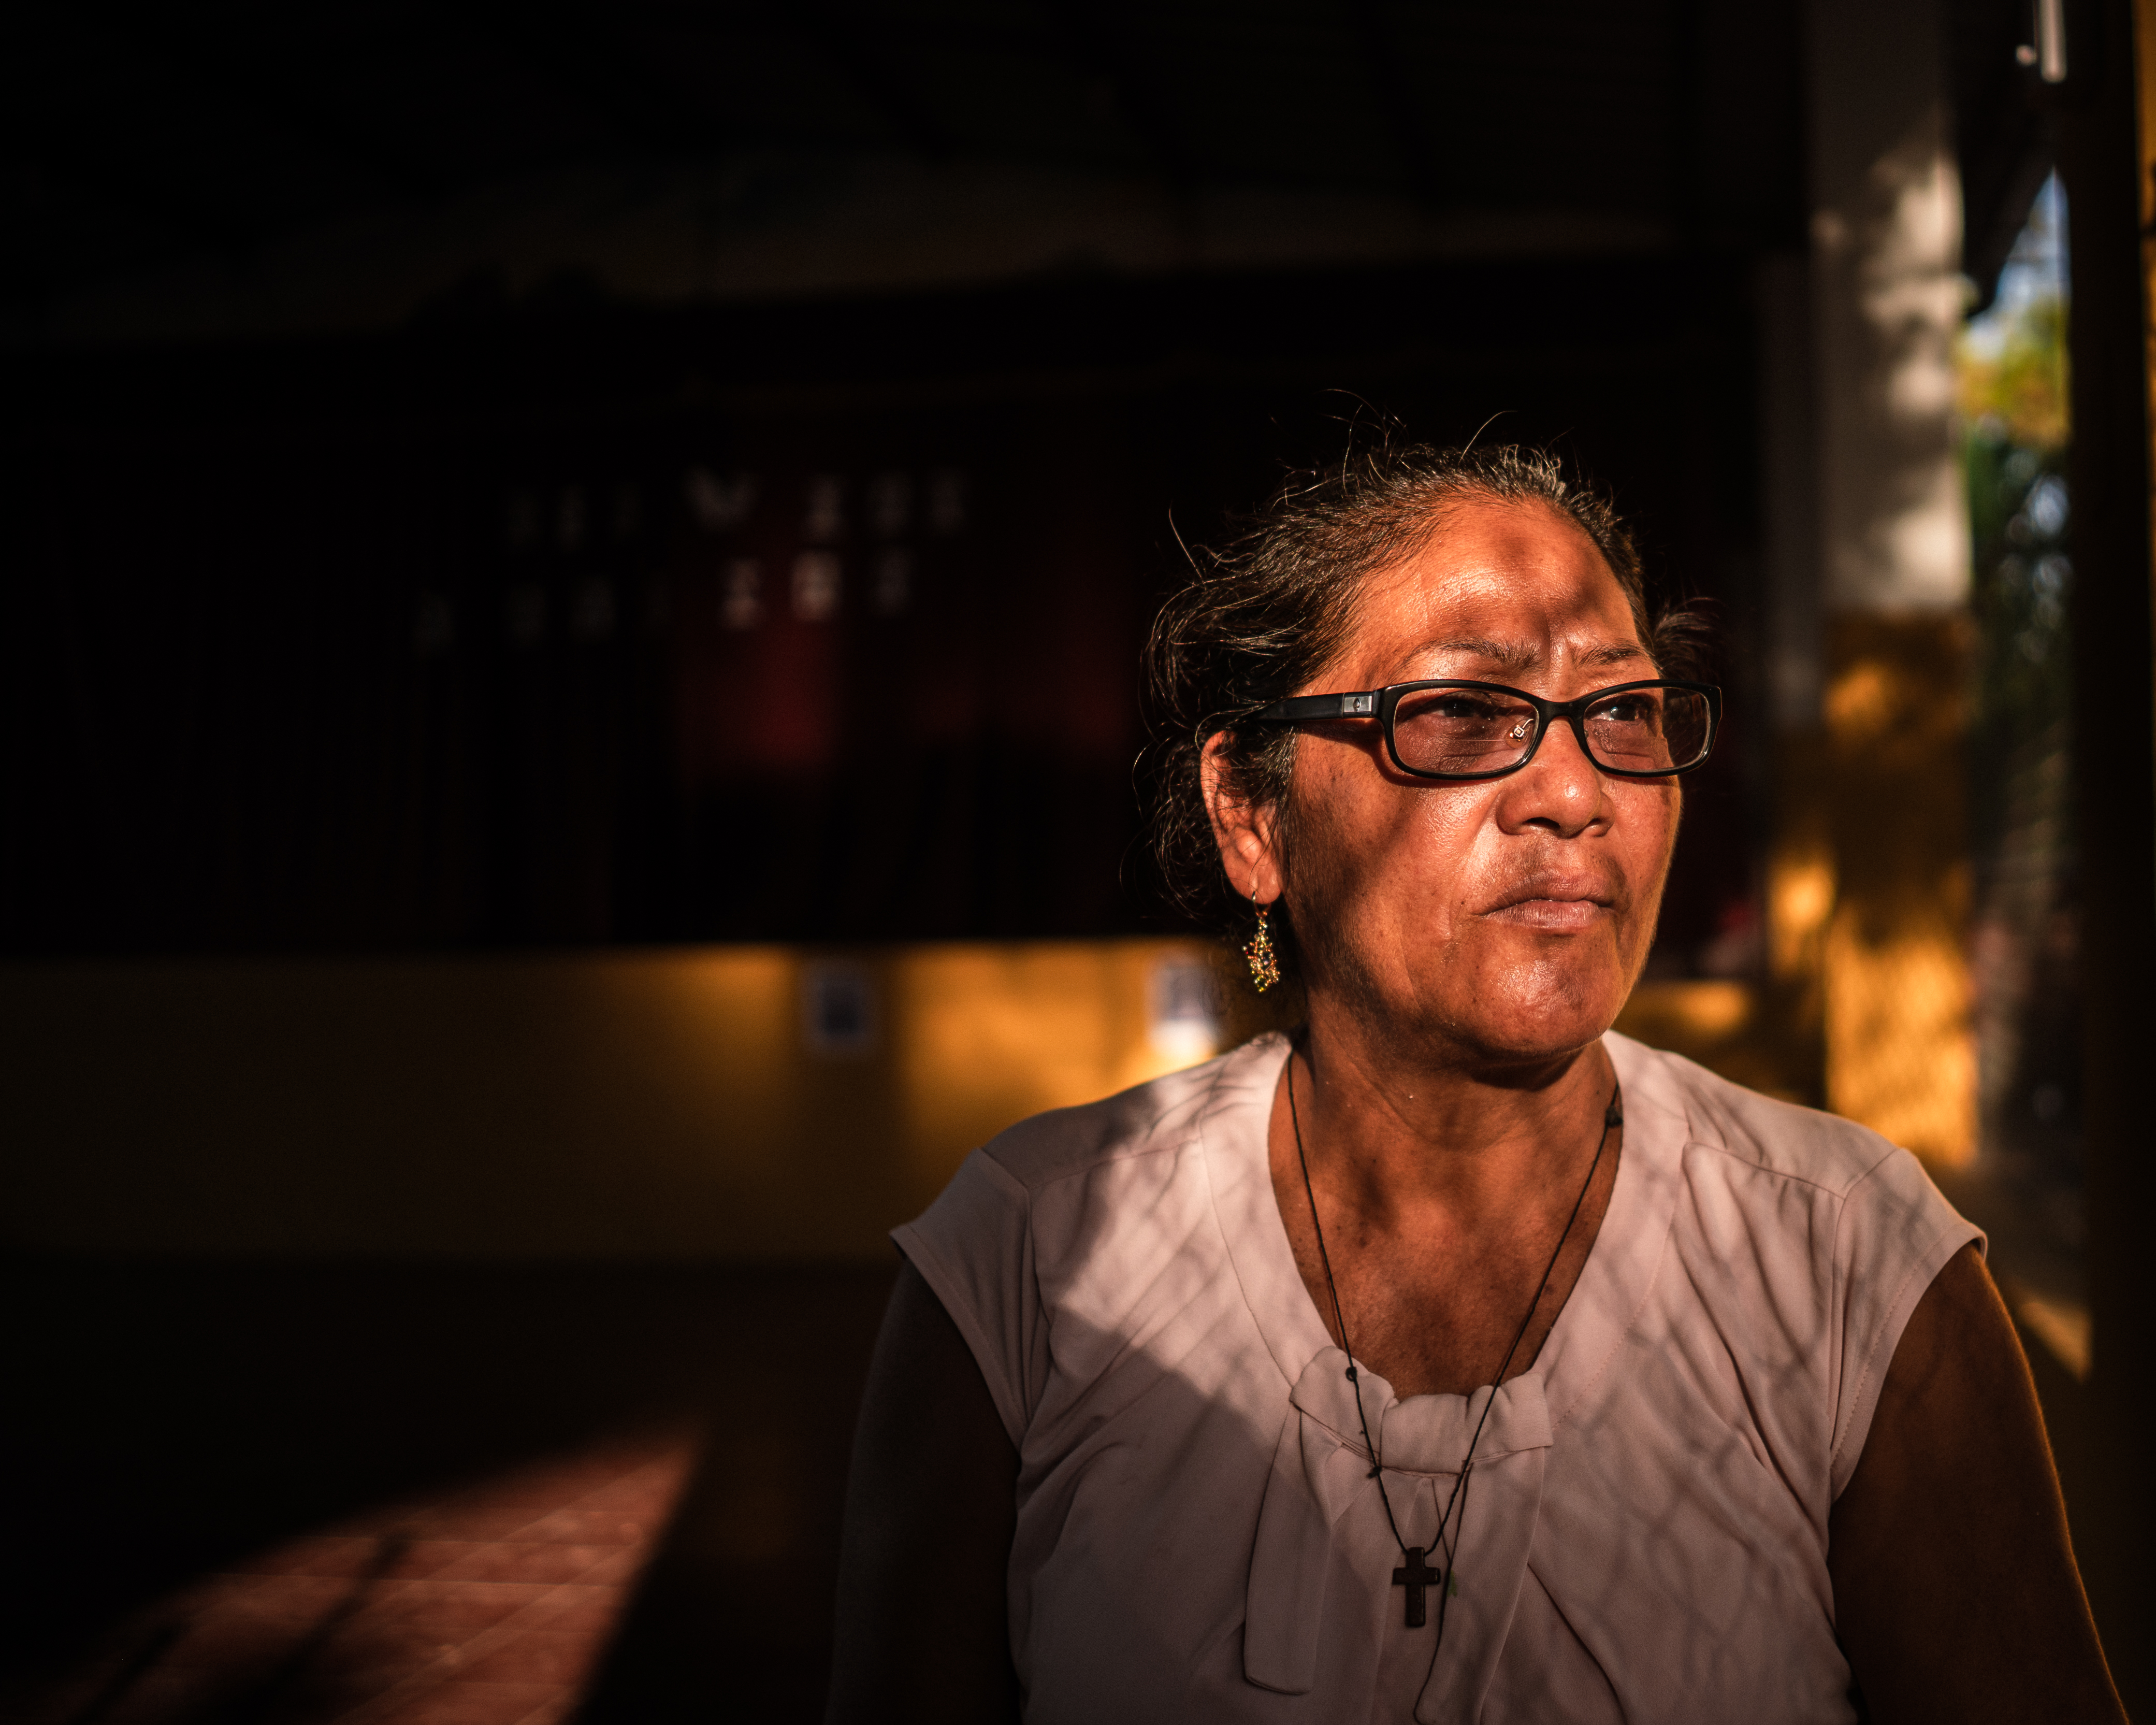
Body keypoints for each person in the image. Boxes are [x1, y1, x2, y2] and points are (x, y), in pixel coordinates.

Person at [824, 443, 2122, 1723]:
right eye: (1457, 715)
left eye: (1623, 712)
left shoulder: (1852, 1272)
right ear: (1253, 816)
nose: (1574, 792)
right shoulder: (1029, 1269)